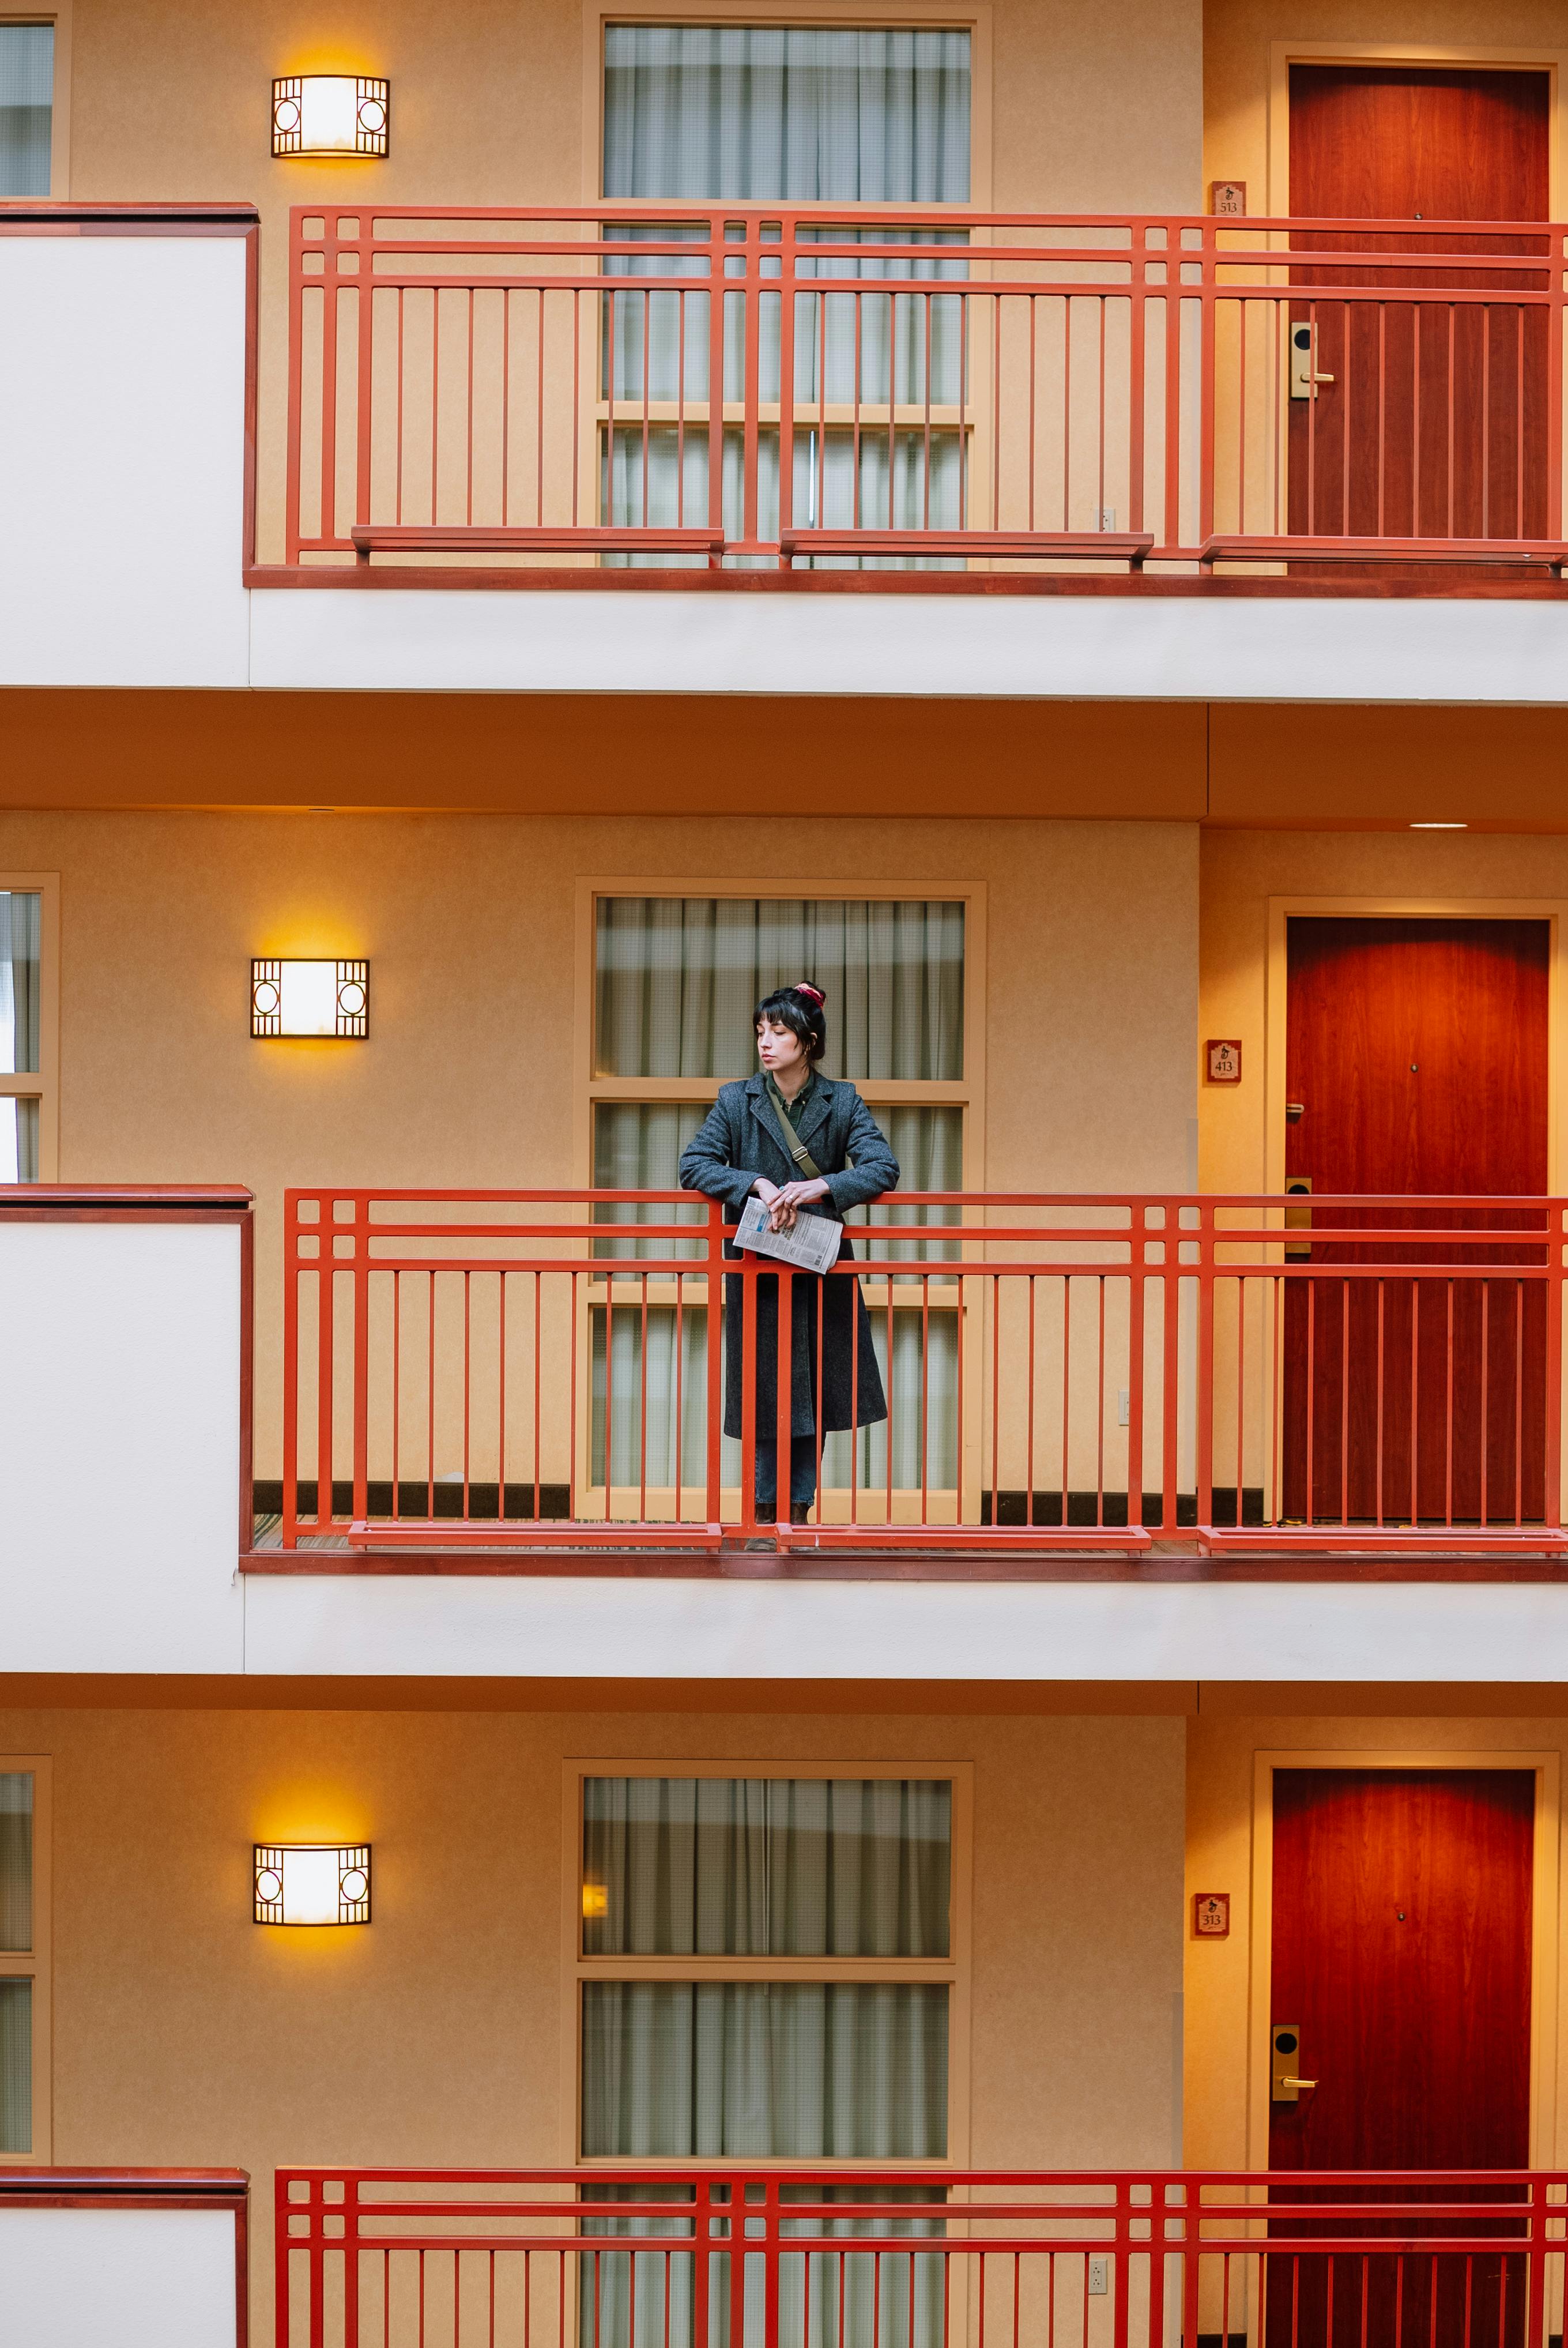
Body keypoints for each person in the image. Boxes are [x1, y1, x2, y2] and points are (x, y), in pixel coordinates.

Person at [679, 983, 899, 1525]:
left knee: (817, 1392)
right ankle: (762, 1513)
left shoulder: (841, 1099)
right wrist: (753, 1183)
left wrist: (819, 1187)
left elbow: (882, 1166)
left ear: (808, 1039)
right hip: (760, 1270)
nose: (766, 1043)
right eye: (761, 1032)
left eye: (778, 1032)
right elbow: (694, 1164)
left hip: (821, 1267)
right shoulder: (737, 1098)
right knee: (764, 1392)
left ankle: (796, 1515)